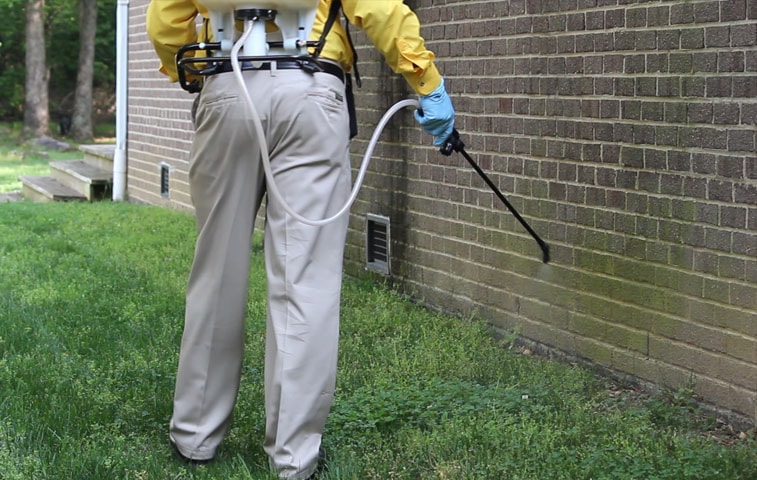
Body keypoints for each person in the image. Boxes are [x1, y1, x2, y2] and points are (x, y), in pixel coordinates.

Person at [146, 1, 455, 478]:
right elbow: (380, 9)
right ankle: (293, 458)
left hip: (227, 86)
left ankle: (195, 437)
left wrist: (183, 67)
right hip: (311, 88)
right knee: (304, 279)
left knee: (216, 273)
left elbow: (165, 20)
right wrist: (427, 82)